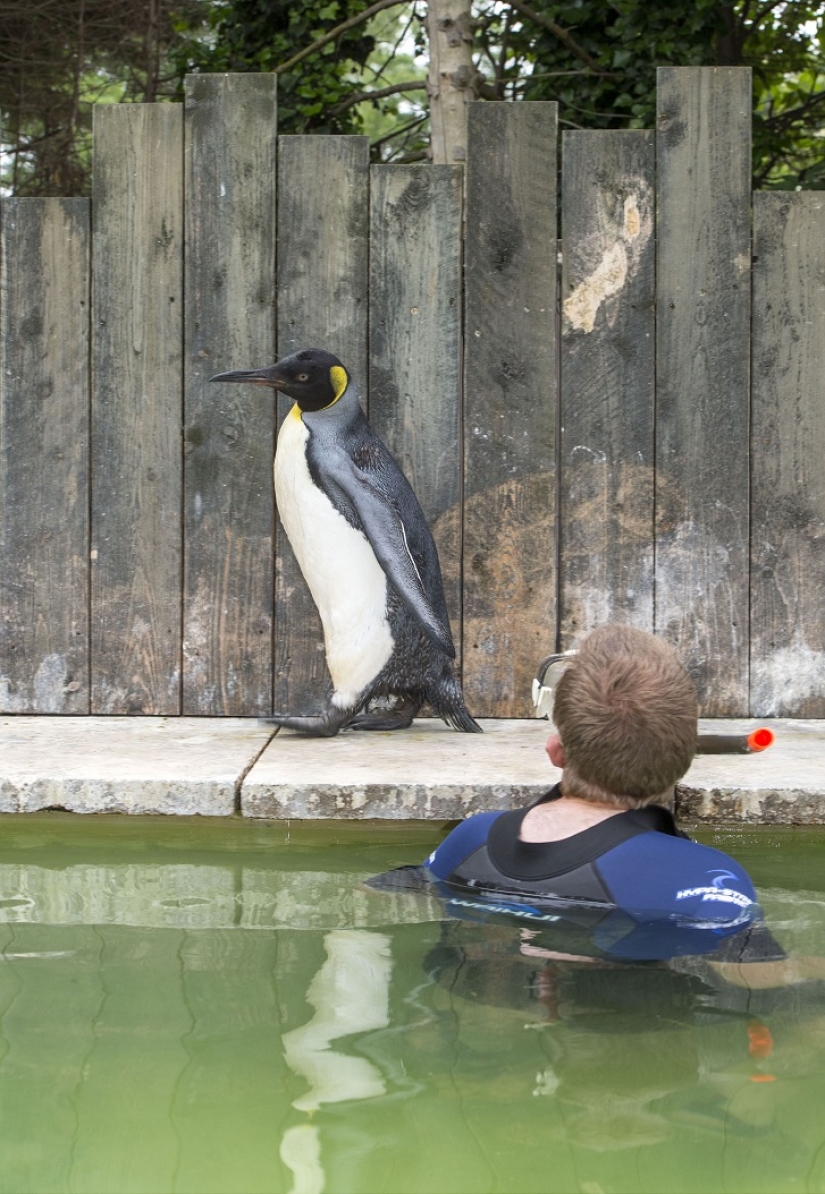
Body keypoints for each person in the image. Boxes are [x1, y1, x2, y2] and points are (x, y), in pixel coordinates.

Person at [368, 624, 789, 967]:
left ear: (556, 751)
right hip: (642, 1047)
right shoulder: (707, 878)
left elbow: (381, 893)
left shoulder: (472, 839)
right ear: (683, 763)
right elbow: (764, 985)